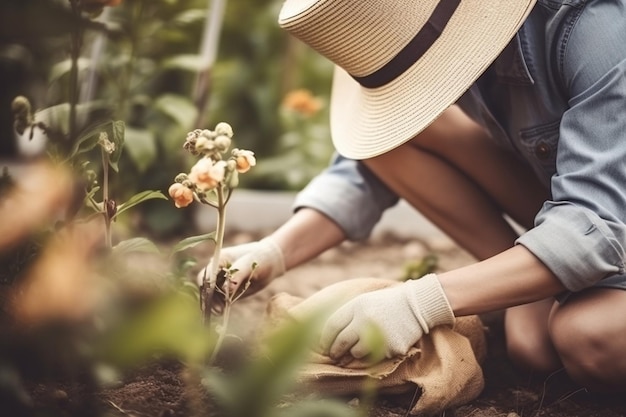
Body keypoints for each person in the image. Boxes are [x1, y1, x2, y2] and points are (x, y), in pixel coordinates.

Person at [203, 0, 626, 392]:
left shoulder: (594, 31)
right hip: (593, 209)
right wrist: (273, 251)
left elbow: (599, 223)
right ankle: (522, 279)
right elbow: (366, 158)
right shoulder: (452, 34)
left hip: (606, 216)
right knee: (530, 347)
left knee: (590, 339)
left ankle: (530, 281)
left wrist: (423, 300)